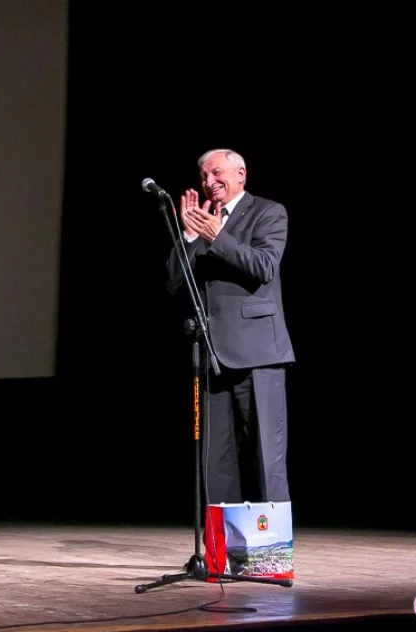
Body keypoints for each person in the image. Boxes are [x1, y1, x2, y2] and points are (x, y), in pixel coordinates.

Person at [166, 148, 294, 506]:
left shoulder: (268, 212)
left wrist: (217, 236)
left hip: (258, 353)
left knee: (267, 458)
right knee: (215, 462)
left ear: (241, 174)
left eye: (217, 173)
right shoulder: (203, 222)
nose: (209, 182)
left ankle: (271, 544)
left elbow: (264, 266)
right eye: (204, 176)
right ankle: (222, 541)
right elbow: (174, 282)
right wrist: (189, 236)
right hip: (212, 354)